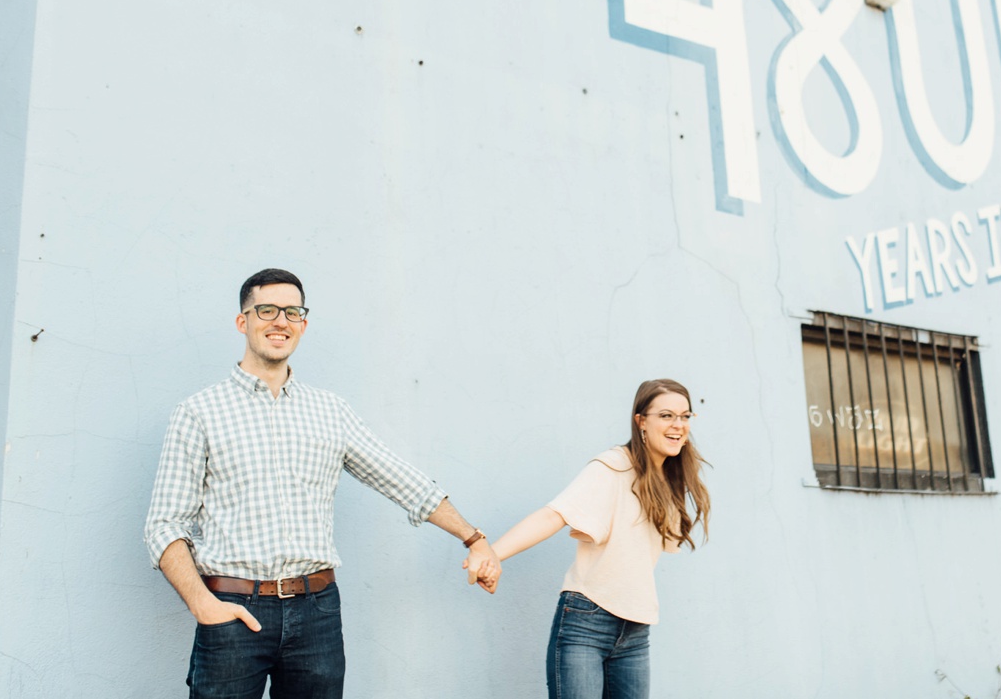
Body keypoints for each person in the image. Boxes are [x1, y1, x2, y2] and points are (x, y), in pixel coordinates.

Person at [143, 268, 500, 698]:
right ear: (243, 321)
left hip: (317, 615)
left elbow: (401, 479)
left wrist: (472, 537)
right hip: (234, 611)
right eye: (267, 310)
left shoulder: (330, 411)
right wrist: (203, 605)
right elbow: (165, 525)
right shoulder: (199, 412)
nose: (281, 321)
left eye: (292, 312)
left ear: (303, 325)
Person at [489, 378, 711, 699]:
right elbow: (554, 514)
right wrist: (492, 554)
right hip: (586, 623)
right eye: (666, 415)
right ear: (641, 421)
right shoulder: (613, 466)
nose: (678, 425)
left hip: (636, 630)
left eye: (685, 416)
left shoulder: (668, 478)